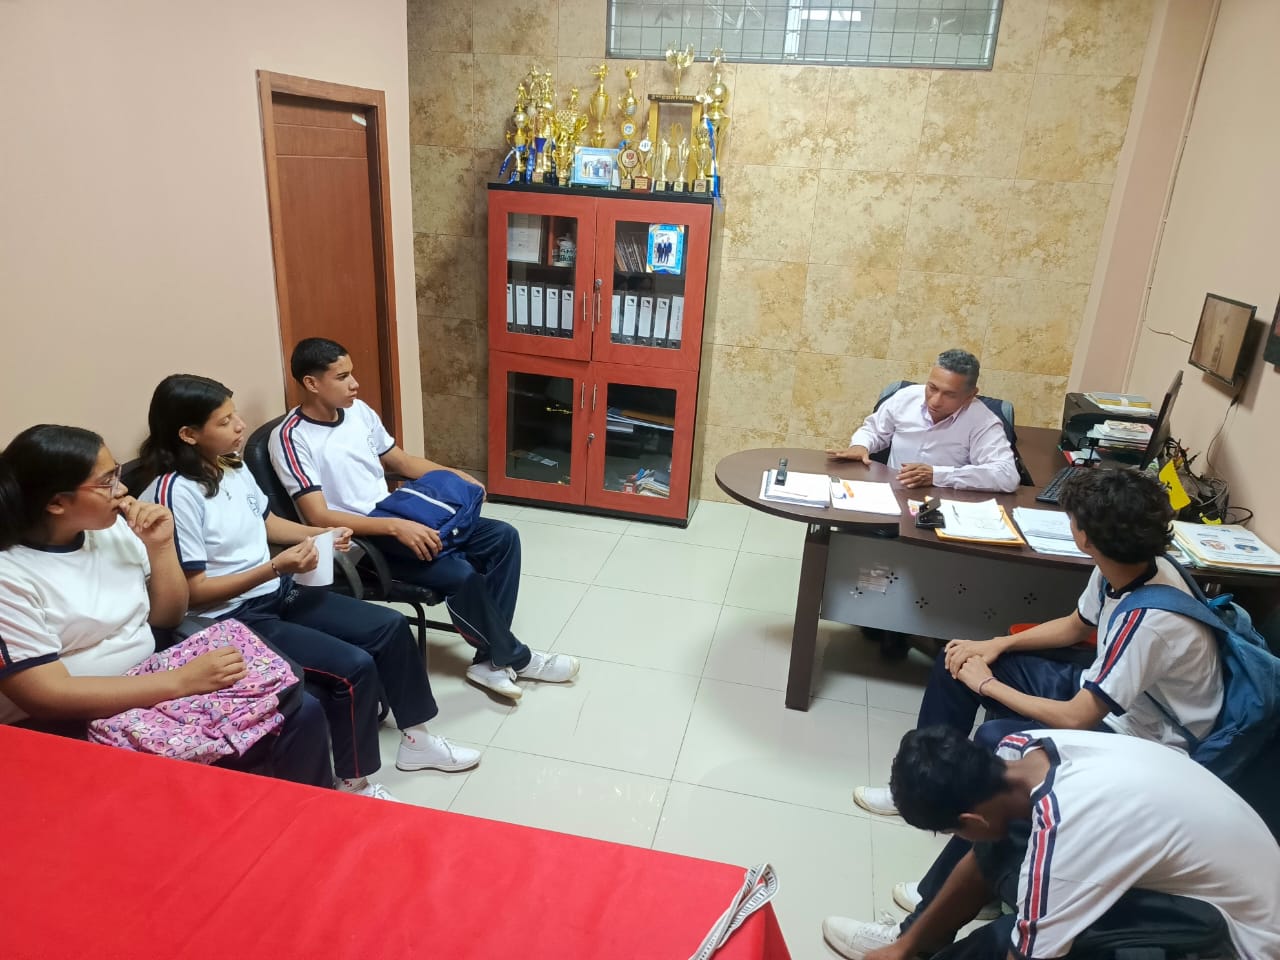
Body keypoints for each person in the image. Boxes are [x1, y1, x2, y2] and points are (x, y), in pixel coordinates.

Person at [841, 467, 1226, 952]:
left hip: (1147, 738)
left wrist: (989, 685)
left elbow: (1079, 717)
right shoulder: (1127, 565)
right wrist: (994, 646)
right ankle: (924, 790)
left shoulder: (1150, 621)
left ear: (1084, 537)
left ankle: (928, 910)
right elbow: (1075, 625)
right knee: (956, 660)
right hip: (1114, 696)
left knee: (998, 750)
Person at [138, 374, 479, 801]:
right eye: (224, 421)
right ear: (188, 434)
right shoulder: (173, 494)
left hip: (277, 591)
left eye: (235, 414)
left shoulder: (228, 464)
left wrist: (318, 534)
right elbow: (195, 592)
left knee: (390, 627)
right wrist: (274, 567)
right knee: (353, 667)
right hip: (231, 618)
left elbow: (265, 522)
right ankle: (352, 785)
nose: (240, 426)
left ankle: (418, 741)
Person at [0, 424, 331, 787]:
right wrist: (180, 682)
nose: (122, 490)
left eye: (116, 473)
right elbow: (47, 696)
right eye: (107, 481)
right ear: (56, 503)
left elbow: (168, 616)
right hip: (74, 720)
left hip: (153, 674)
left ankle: (312, 814)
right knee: (254, 741)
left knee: (301, 709)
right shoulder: (10, 575)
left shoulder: (112, 530)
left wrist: (160, 546)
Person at [268, 337, 579, 701]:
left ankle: (490, 659)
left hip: (400, 514)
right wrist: (395, 527)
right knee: (460, 574)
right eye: (342, 377)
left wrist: (453, 474)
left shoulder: (358, 411)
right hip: (362, 541)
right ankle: (515, 657)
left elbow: (399, 461)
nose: (354, 384)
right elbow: (318, 515)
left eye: (352, 373)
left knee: (502, 537)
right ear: (311, 383)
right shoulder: (291, 438)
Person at [824, 726, 1280, 960]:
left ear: (969, 820)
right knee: (1000, 849)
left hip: (1241, 942)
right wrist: (909, 946)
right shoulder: (1021, 751)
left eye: (953, 832)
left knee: (1004, 938)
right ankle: (910, 946)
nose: (957, 839)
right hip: (1205, 887)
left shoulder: (1070, 830)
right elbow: (983, 857)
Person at [828, 349, 1019, 493]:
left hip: (943, 501)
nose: (935, 401)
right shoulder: (906, 397)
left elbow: (1007, 475)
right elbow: (874, 430)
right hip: (892, 492)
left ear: (970, 395)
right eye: (932, 388)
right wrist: (861, 445)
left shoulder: (983, 421)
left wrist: (937, 475)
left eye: (949, 394)